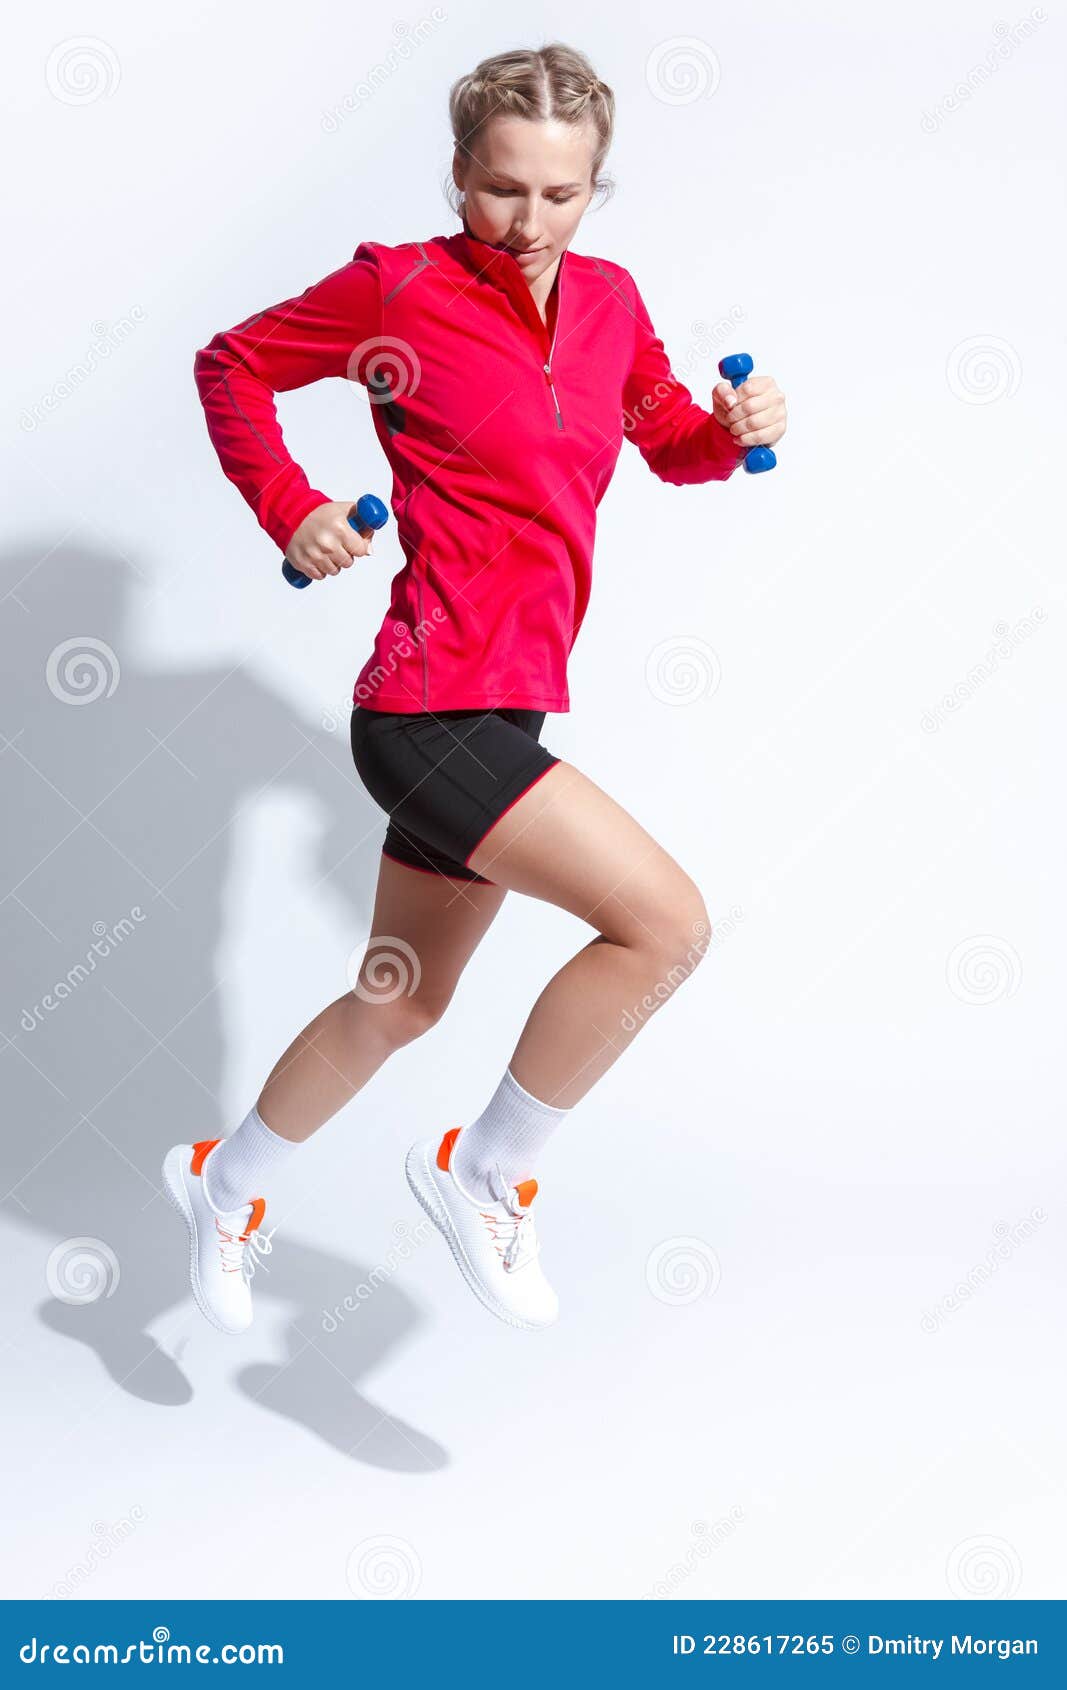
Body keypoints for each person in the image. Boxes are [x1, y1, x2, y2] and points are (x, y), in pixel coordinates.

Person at [165, 41, 787, 1335]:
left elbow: (663, 436)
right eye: (503, 190)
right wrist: (291, 510)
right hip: (424, 708)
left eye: (562, 194)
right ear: (459, 175)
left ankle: (226, 1188)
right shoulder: (397, 290)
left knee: (403, 996)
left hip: (507, 708)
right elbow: (230, 364)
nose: (530, 222)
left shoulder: (611, 301)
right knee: (664, 925)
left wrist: (729, 435)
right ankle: (486, 1166)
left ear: (594, 187)